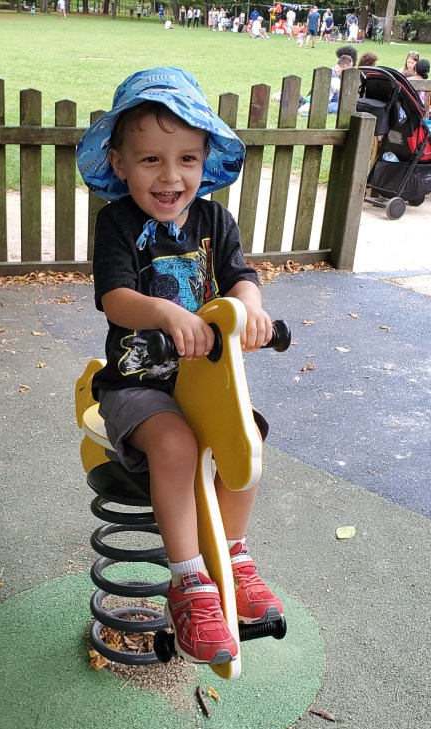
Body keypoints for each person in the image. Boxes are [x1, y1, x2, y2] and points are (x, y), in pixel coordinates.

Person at [75, 67, 282, 666]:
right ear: (119, 164)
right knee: (176, 445)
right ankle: (189, 580)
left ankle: (233, 556)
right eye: (151, 160)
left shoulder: (215, 222)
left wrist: (251, 308)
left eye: (187, 158)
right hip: (135, 382)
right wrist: (166, 313)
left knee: (247, 437)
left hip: (200, 381)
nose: (171, 177)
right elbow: (116, 298)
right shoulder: (117, 223)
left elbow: (240, 277)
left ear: (205, 160)